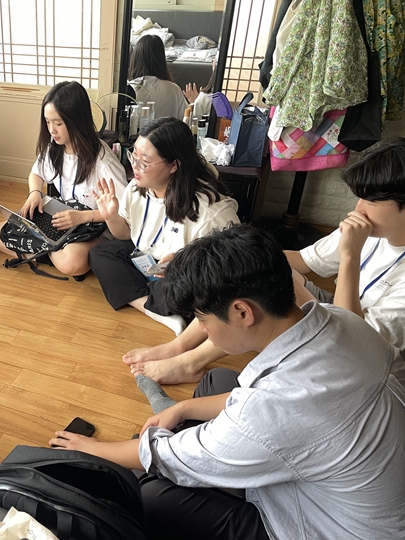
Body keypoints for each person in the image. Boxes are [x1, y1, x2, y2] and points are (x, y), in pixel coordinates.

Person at [51, 224, 405, 540]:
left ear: (242, 312)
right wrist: (183, 408)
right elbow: (274, 408)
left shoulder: (274, 408)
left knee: (153, 496)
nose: (203, 331)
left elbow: (166, 455)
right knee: (217, 380)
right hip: (341, 480)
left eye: (203, 319)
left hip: (328, 525)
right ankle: (219, 453)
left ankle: (214, 461)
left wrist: (91, 450)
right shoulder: (344, 321)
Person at [127, 137, 405, 386]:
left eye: (370, 201)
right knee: (257, 274)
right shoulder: (371, 230)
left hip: (364, 361)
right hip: (341, 312)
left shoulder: (363, 239)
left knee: (261, 299)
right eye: (359, 198)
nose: (358, 209)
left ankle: (190, 362)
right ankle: (180, 347)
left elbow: (351, 342)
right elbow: (301, 261)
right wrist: (212, 258)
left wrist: (350, 255)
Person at [89, 117, 238, 333]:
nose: (134, 166)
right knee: (101, 253)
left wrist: (181, 261)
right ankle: (155, 311)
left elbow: (228, 265)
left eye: (144, 162)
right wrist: (111, 216)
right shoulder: (137, 187)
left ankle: (147, 297)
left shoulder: (209, 210)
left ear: (174, 165)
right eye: (133, 156)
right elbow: (125, 235)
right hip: (149, 259)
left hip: (179, 272)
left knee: (188, 289)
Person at [0, 81, 127, 278]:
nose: (52, 130)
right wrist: (35, 193)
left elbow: (124, 211)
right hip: (64, 218)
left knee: (71, 262)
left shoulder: (103, 162)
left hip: (95, 225)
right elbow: (36, 173)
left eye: (58, 123)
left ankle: (42, 250)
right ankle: (51, 250)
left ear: (77, 121)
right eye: (47, 122)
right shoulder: (54, 147)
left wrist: (83, 217)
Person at [127, 35, 189, 120]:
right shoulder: (174, 90)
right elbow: (185, 120)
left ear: (135, 58)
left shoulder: (131, 88)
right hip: (168, 129)